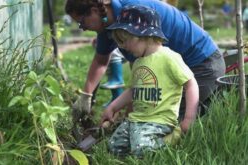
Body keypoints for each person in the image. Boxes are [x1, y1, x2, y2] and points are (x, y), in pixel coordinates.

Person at [68, 0, 225, 121]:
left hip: (202, 65)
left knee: (160, 120)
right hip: (180, 69)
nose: (83, 28)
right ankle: (205, 105)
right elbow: (101, 62)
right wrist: (86, 96)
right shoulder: (108, 26)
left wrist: (133, 113)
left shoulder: (134, 14)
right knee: (144, 117)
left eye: (81, 22)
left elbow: (155, 72)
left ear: (94, 11)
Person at [100, 6, 199, 156]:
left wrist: (189, 118)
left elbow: (190, 83)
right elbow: (133, 91)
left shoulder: (169, 57)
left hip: (159, 121)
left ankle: (174, 137)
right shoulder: (139, 62)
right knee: (114, 147)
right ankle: (140, 146)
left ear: (144, 35)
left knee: (142, 150)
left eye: (125, 40)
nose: (123, 46)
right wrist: (113, 108)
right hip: (136, 119)